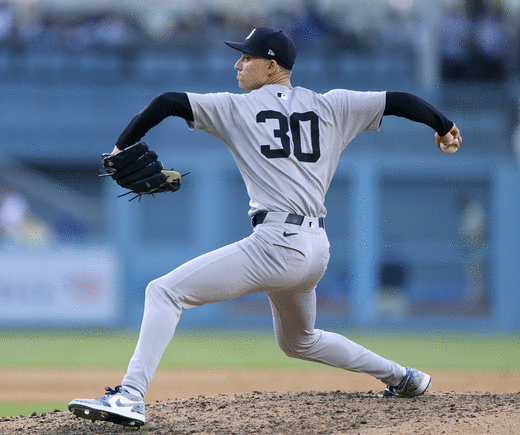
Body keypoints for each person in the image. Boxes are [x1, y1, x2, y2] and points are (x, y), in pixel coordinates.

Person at [69, 27, 462, 427]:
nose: (238, 64)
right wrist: (443, 124)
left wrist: (119, 148)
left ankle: (130, 396)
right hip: (315, 249)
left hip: (276, 243)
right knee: (299, 340)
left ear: (271, 66)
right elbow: (400, 100)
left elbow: (166, 101)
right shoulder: (333, 105)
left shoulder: (237, 108)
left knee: (164, 292)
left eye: (247, 58)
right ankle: (404, 377)